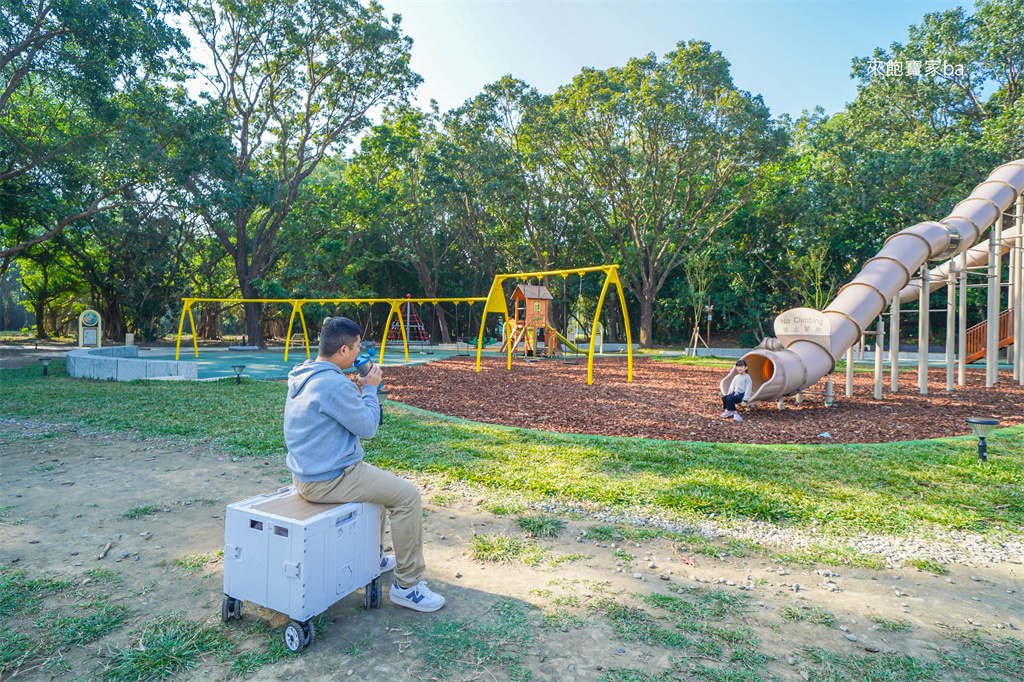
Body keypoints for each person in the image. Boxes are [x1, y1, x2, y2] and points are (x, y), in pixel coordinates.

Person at [283, 316, 445, 613]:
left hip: (305, 474)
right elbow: (368, 427)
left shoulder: (305, 373)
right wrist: (371, 387)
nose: (360, 353)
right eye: (357, 347)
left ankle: (375, 559)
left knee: (382, 493)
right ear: (343, 350)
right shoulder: (332, 384)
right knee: (407, 496)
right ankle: (407, 587)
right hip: (328, 478)